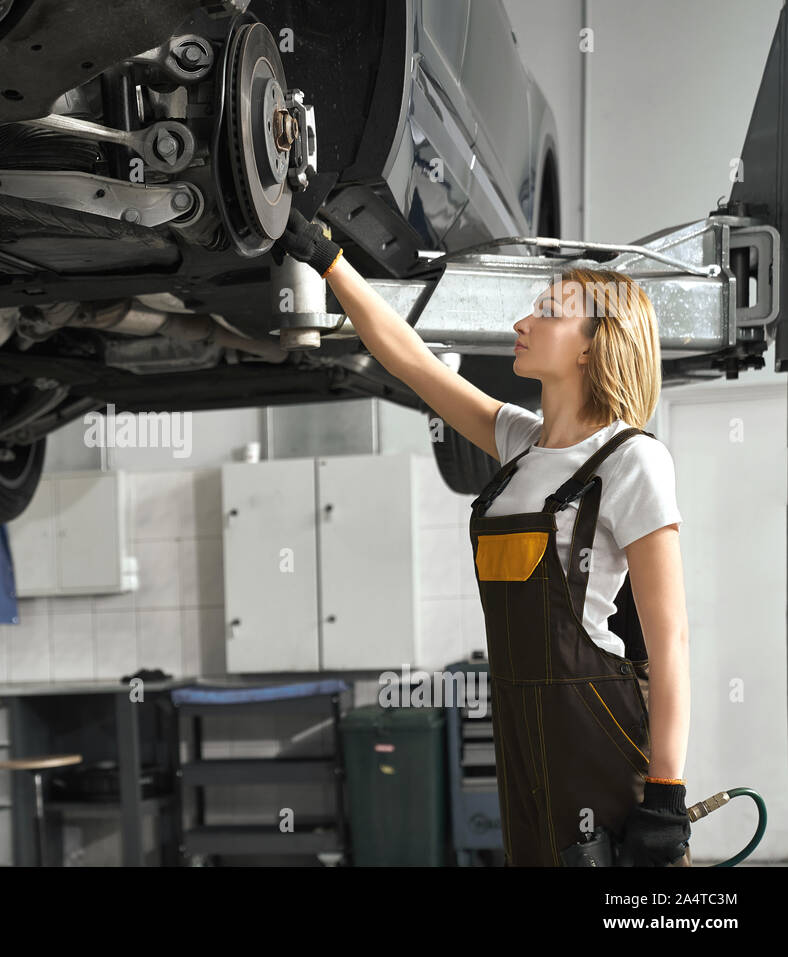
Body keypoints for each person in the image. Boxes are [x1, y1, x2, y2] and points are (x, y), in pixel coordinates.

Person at [279, 210, 692, 866]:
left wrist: (666, 791)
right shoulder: (519, 444)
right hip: (519, 727)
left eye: (549, 312)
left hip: (595, 729)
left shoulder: (632, 460)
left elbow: (669, 640)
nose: (521, 324)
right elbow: (410, 359)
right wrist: (330, 262)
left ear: (592, 342)